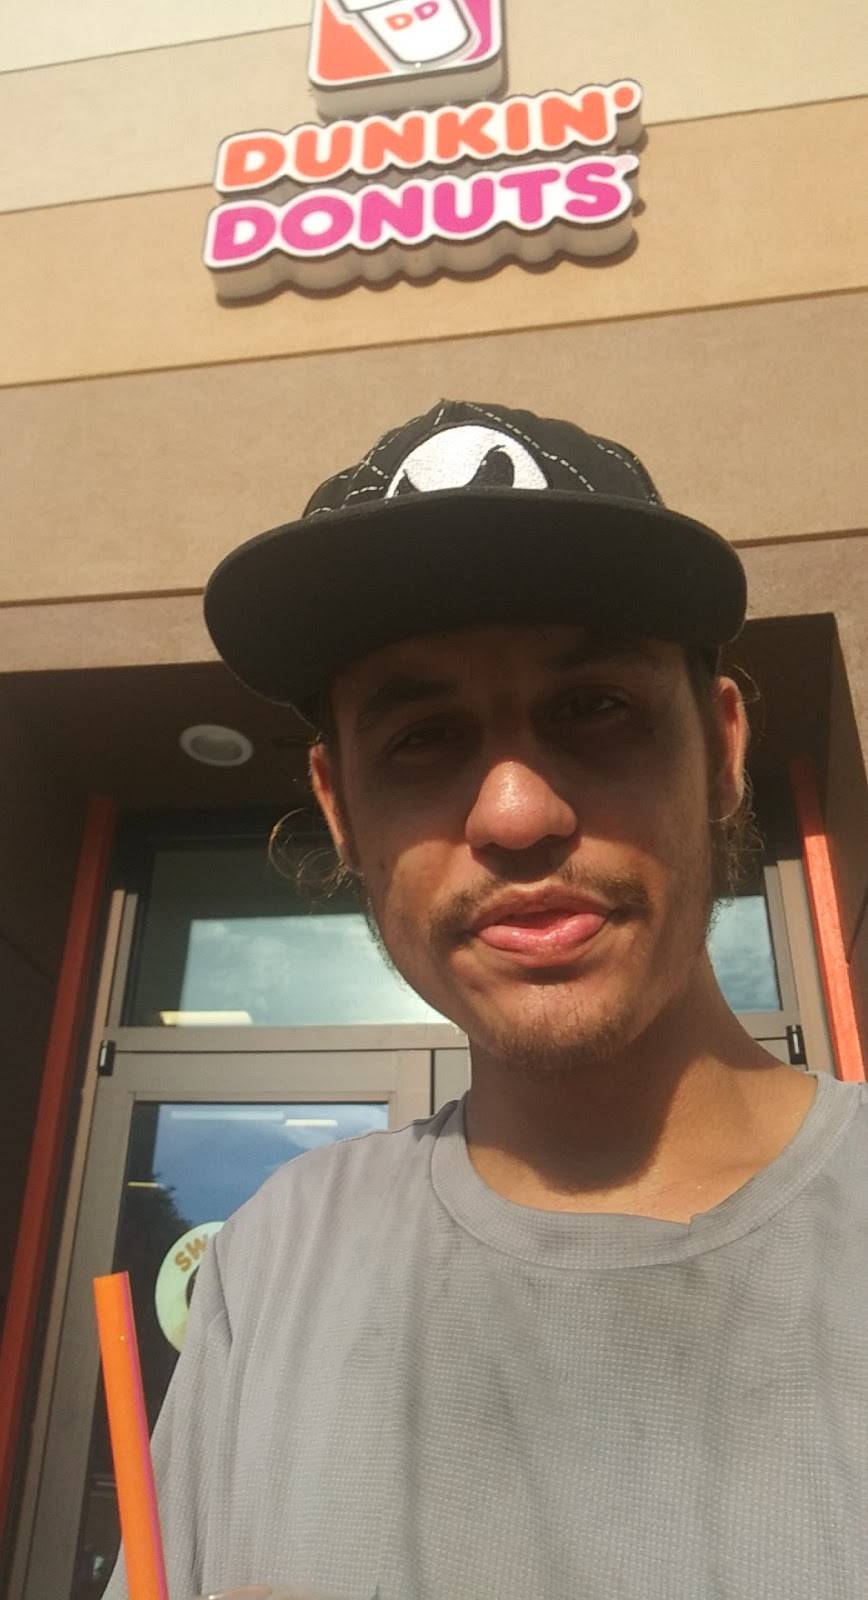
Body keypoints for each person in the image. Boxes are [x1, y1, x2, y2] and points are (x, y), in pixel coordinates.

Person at [104, 400, 866, 1600]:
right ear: (341, 807)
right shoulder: (270, 1265)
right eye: (422, 737)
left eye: (596, 707)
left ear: (723, 749)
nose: (516, 813)